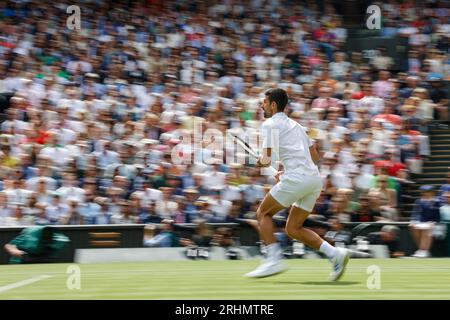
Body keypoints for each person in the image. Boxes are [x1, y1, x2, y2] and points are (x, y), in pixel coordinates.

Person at [245, 88, 349, 280]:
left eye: (264, 102)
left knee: (263, 213)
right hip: (313, 179)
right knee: (293, 228)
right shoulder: (298, 126)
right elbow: (315, 156)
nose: (261, 105)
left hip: (298, 178)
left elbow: (266, 160)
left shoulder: (269, 125)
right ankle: (335, 254)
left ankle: (273, 260)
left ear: (273, 105)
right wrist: (288, 170)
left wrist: (258, 162)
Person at [4, 225, 69, 263]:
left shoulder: (55, 236)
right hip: (21, 262)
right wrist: (15, 251)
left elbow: (65, 240)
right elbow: (9, 245)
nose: (47, 236)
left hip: (40, 260)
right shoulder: (28, 235)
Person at [409, 185, 441, 258]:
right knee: (412, 226)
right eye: (423, 192)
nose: (424, 193)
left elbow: (437, 216)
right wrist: (413, 221)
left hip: (436, 224)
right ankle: (422, 250)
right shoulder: (418, 201)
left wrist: (432, 222)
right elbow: (415, 213)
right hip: (422, 223)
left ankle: (424, 251)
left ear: (432, 193)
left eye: (427, 192)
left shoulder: (437, 202)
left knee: (427, 227)